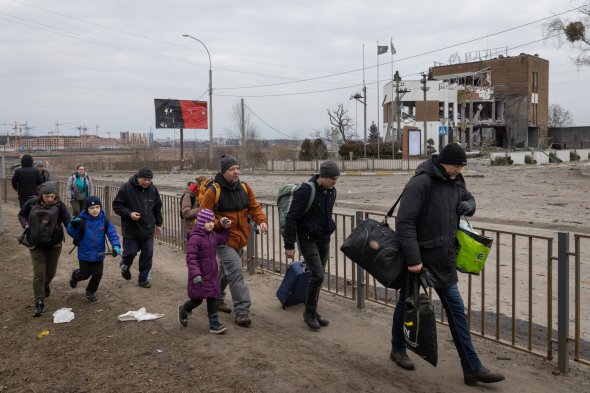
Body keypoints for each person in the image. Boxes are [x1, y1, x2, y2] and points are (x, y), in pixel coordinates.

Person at [390, 143, 505, 386]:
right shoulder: (420, 183)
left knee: (456, 312)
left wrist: (470, 206)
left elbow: (469, 198)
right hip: (420, 261)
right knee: (406, 305)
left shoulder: (456, 180)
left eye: (462, 166)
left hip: (445, 259)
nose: (460, 171)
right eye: (456, 166)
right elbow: (405, 223)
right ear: (443, 162)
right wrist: (413, 260)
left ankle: (472, 368)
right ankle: (397, 348)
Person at [200, 155, 268, 327]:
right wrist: (219, 224)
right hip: (222, 239)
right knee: (236, 272)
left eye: (238, 168)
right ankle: (242, 311)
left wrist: (262, 220)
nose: (236, 172)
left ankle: (214, 297)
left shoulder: (245, 188)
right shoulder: (213, 192)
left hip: (241, 238)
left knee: (226, 272)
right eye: (232, 169)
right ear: (224, 172)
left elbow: (254, 207)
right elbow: (203, 220)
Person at [283, 160, 339, 330]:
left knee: (318, 277)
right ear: (323, 177)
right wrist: (289, 245)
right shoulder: (306, 190)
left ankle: (312, 310)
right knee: (318, 275)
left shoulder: (331, 191)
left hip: (324, 238)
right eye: (332, 179)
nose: (335, 183)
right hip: (307, 239)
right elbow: (291, 218)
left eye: (336, 179)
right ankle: (309, 313)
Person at [17, 182, 71, 317]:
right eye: (47, 196)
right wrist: (26, 225)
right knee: (39, 273)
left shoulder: (60, 205)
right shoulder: (31, 203)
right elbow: (21, 215)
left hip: (54, 245)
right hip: (35, 244)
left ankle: (45, 285)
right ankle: (39, 302)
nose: (50, 199)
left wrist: (77, 231)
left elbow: (68, 221)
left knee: (50, 273)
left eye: (52, 196)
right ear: (41, 195)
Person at [178, 209, 231, 333]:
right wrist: (196, 273)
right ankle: (184, 308)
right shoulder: (195, 238)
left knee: (212, 297)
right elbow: (191, 258)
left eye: (212, 221)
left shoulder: (212, 235)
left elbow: (223, 239)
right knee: (197, 300)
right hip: (199, 276)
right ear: (201, 222)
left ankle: (214, 324)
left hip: (211, 274)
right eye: (208, 221)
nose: (211, 224)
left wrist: (226, 227)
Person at [112, 166, 163, 288]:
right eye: (144, 179)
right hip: (131, 229)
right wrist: (129, 214)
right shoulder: (126, 188)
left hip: (148, 229)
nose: (147, 182)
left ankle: (143, 279)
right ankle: (125, 265)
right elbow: (117, 206)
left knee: (148, 254)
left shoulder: (153, 190)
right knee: (130, 253)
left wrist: (159, 224)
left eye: (149, 180)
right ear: (138, 177)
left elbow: (157, 208)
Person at [66, 196, 121, 304]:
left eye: (97, 207)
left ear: (100, 207)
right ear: (86, 209)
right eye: (91, 208)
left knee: (97, 274)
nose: (95, 210)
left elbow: (112, 234)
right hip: (84, 254)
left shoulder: (105, 220)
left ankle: (90, 292)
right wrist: (71, 226)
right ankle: (75, 276)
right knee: (84, 274)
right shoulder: (81, 221)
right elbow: (73, 234)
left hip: (99, 254)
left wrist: (116, 246)